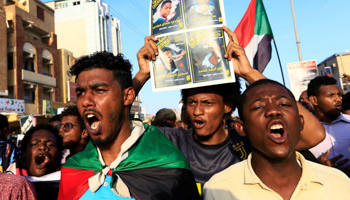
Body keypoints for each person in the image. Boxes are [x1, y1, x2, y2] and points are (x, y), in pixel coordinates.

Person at [135, 25, 326, 194]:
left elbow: (314, 135)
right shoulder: (172, 141)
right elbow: (115, 128)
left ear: (227, 106)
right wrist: (142, 75)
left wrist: (248, 73)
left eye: (208, 103)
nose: (197, 111)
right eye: (192, 103)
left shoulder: (249, 141)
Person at [58, 51, 199, 199]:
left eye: (99, 90)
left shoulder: (168, 167)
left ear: (128, 96)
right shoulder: (73, 169)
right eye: (80, 93)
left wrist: (143, 75)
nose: (86, 101)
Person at [203, 79, 350, 200]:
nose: (274, 111)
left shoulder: (340, 183)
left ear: (300, 122)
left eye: (284, 104)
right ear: (241, 128)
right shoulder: (218, 190)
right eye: (259, 107)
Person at [307, 76, 350, 174]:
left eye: (339, 95)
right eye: (331, 95)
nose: (338, 99)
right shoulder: (303, 130)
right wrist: (321, 169)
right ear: (314, 100)